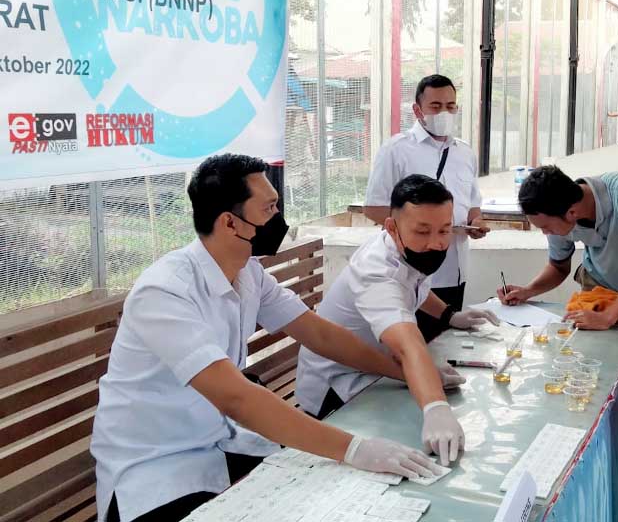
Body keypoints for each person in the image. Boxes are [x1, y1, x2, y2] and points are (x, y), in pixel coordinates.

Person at [91, 155, 442, 522]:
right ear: (230, 222)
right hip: (156, 468)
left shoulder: (248, 273)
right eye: (269, 208)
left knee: (337, 491)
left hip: (217, 440)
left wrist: (405, 372)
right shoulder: (165, 291)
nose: (279, 217)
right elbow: (236, 397)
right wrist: (355, 449)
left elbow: (318, 333)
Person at [296, 174, 498, 462]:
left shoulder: (407, 251)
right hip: (338, 387)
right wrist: (436, 408)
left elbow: (416, 288)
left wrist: (450, 315)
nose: (436, 243)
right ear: (392, 227)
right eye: (423, 231)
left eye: (444, 230)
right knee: (411, 448)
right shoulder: (376, 272)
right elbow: (407, 345)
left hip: (379, 370)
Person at [364, 75, 488, 342]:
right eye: (435, 106)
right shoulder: (396, 150)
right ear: (417, 110)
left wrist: (476, 223)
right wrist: (422, 230)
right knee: (415, 345)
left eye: (450, 106)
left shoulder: (465, 152)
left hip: (455, 269)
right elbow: (374, 208)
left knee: (448, 345)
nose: (444, 112)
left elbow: (473, 205)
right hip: (413, 270)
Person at [496, 166, 618, 344]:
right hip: (601, 294)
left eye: (546, 227)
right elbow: (558, 267)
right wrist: (528, 291)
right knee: (590, 355)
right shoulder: (557, 210)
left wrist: (608, 317)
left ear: (572, 213)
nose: (545, 233)